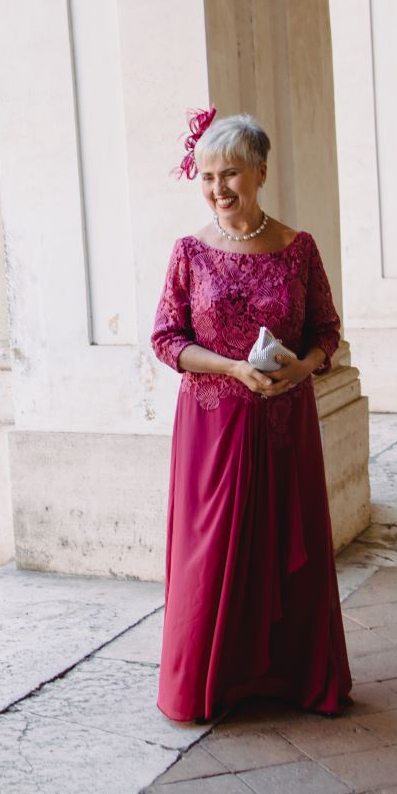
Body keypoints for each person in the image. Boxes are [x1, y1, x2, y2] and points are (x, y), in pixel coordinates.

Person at [150, 110, 352, 723]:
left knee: (288, 544)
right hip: (212, 429)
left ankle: (294, 678)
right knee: (209, 557)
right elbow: (165, 338)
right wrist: (233, 369)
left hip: (286, 424)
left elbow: (327, 331)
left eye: (230, 174)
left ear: (261, 172)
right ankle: (210, 684)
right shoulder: (188, 252)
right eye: (207, 176)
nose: (217, 189)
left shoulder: (299, 249)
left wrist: (305, 367)